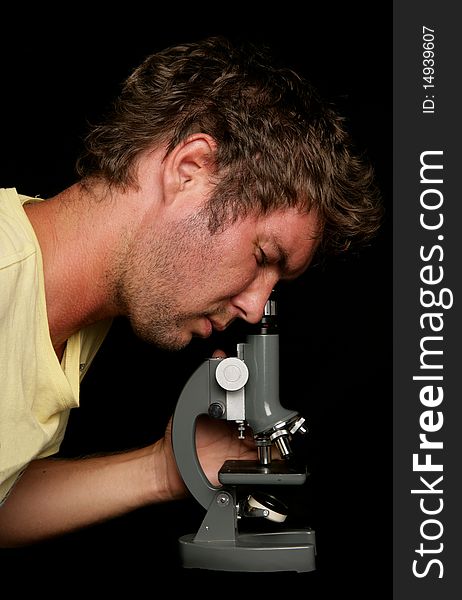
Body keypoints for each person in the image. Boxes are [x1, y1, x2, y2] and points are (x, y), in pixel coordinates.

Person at [0, 35, 382, 547]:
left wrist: (165, 469)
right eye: (264, 256)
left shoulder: (73, 315)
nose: (253, 306)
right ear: (190, 171)